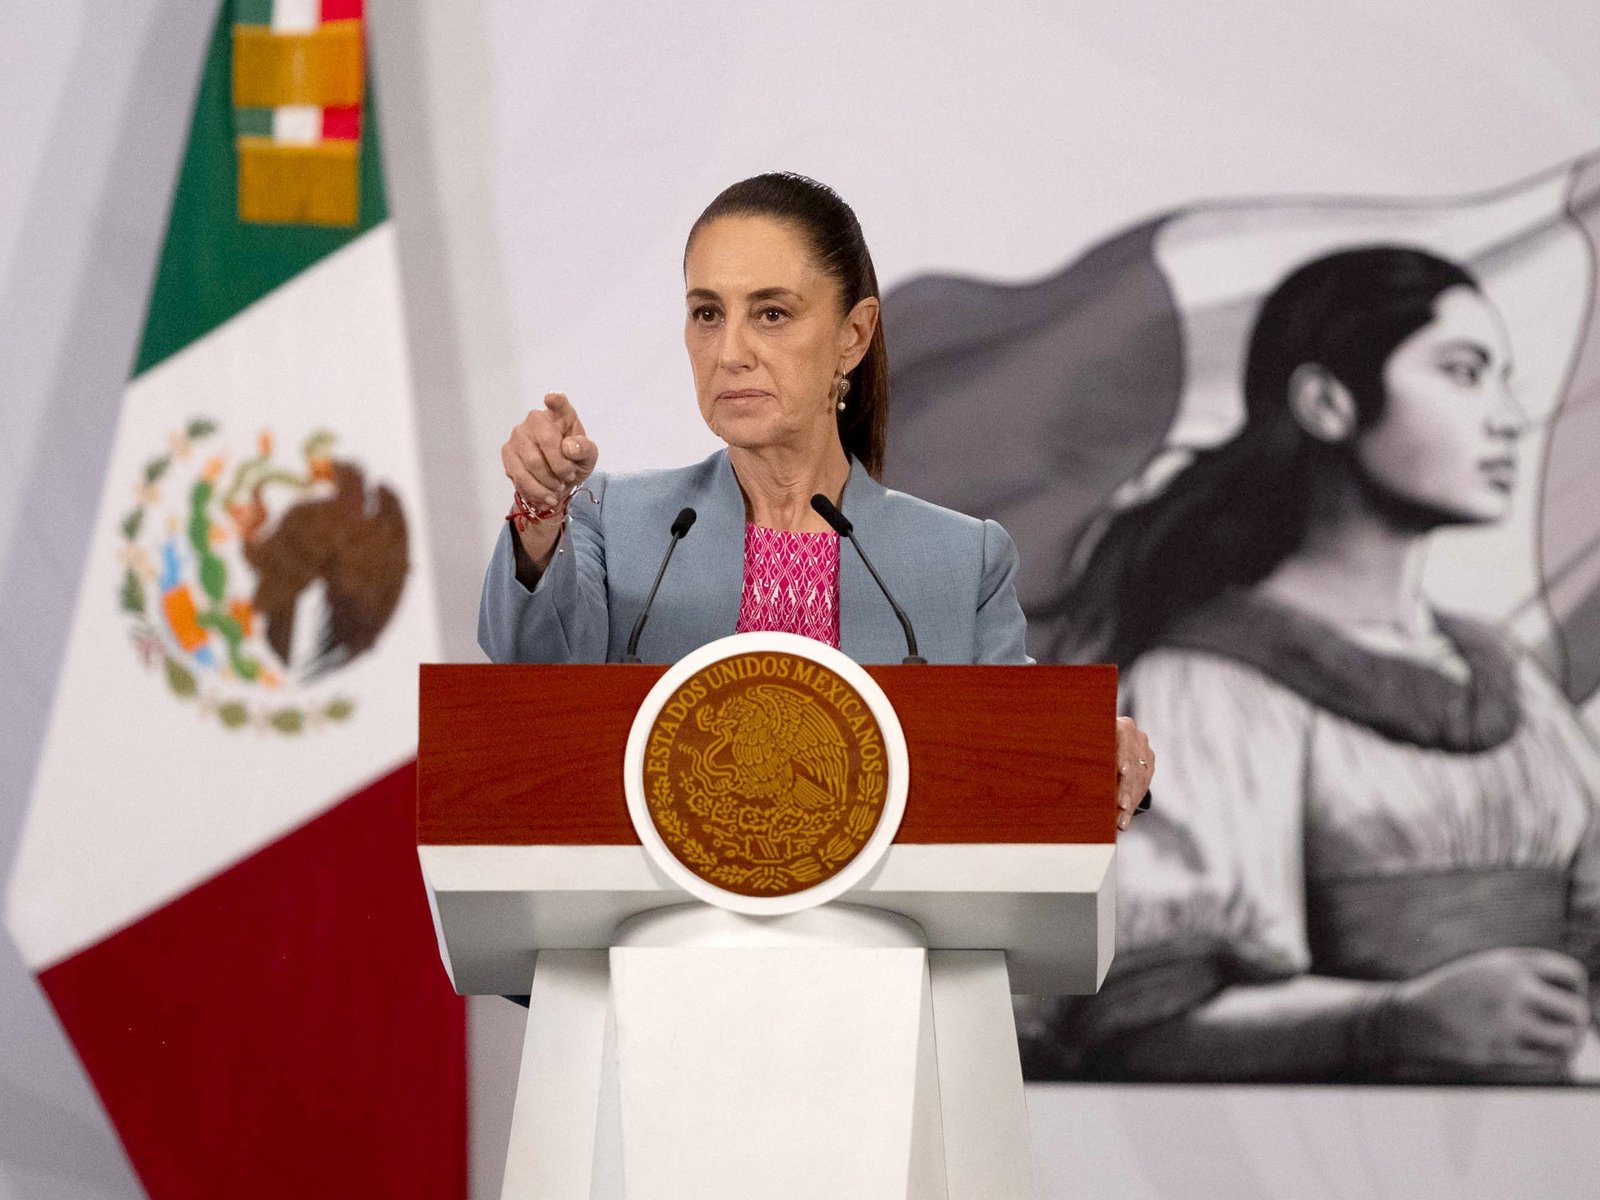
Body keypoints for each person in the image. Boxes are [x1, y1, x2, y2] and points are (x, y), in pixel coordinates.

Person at [1017, 246, 1600, 1082]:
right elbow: (1149, 1020)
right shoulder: (1209, 684)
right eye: (1464, 373)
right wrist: (1395, 1022)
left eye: (1504, 377)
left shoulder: (1510, 680)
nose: (1507, 416)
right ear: (1328, 402)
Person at [478, 172, 1155, 824]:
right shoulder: (613, 522)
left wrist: (1091, 744)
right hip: (661, 934)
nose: (730, 351)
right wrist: (540, 513)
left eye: (771, 313)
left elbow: (1015, 745)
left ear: (853, 336)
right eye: (707, 314)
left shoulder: (960, 561)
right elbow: (530, 671)